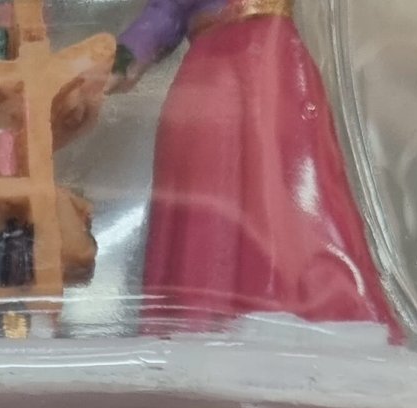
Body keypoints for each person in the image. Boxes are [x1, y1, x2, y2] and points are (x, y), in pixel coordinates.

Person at [109, 0, 399, 336]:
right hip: (214, 72)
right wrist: (115, 63)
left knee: (289, 184)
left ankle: (314, 307)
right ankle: (200, 316)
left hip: (275, 67)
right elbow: (163, 15)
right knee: (209, 183)